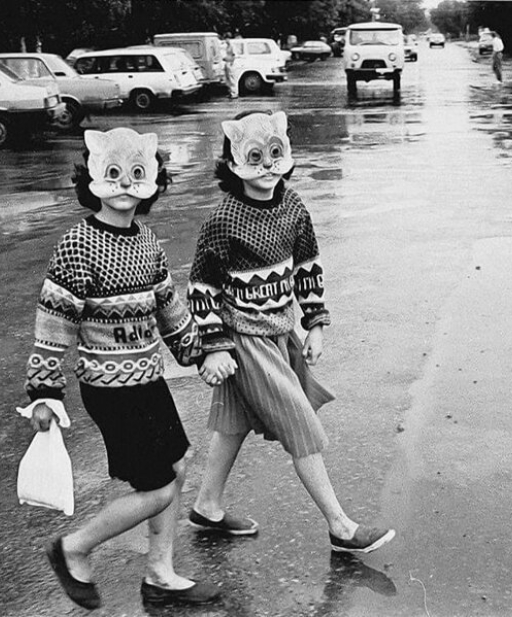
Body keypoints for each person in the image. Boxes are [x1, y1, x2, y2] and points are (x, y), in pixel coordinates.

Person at [21, 127, 220, 611]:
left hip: (148, 379)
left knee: (177, 466)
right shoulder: (78, 244)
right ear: (93, 178)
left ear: (152, 180)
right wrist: (44, 391)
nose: (126, 184)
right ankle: (73, 548)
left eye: (136, 173)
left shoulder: (147, 241)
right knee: (158, 489)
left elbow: (169, 308)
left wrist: (201, 352)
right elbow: (54, 321)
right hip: (110, 388)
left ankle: (160, 574)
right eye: (114, 173)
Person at [187, 110, 396, 555]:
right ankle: (340, 526)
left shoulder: (294, 207)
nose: (267, 166)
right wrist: (214, 346)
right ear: (233, 160)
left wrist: (315, 323)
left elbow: (307, 268)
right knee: (300, 423)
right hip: (243, 339)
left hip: (281, 333)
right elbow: (202, 289)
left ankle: (207, 505)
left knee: (234, 423)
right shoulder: (222, 221)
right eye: (254, 156)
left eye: (274, 153)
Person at [222, 34, 238, 99]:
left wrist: (232, 62)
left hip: (231, 63)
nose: (226, 40)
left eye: (227, 39)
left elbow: (234, 55)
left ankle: (234, 93)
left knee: (232, 79)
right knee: (228, 79)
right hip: (227, 62)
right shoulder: (227, 46)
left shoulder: (232, 46)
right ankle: (230, 92)